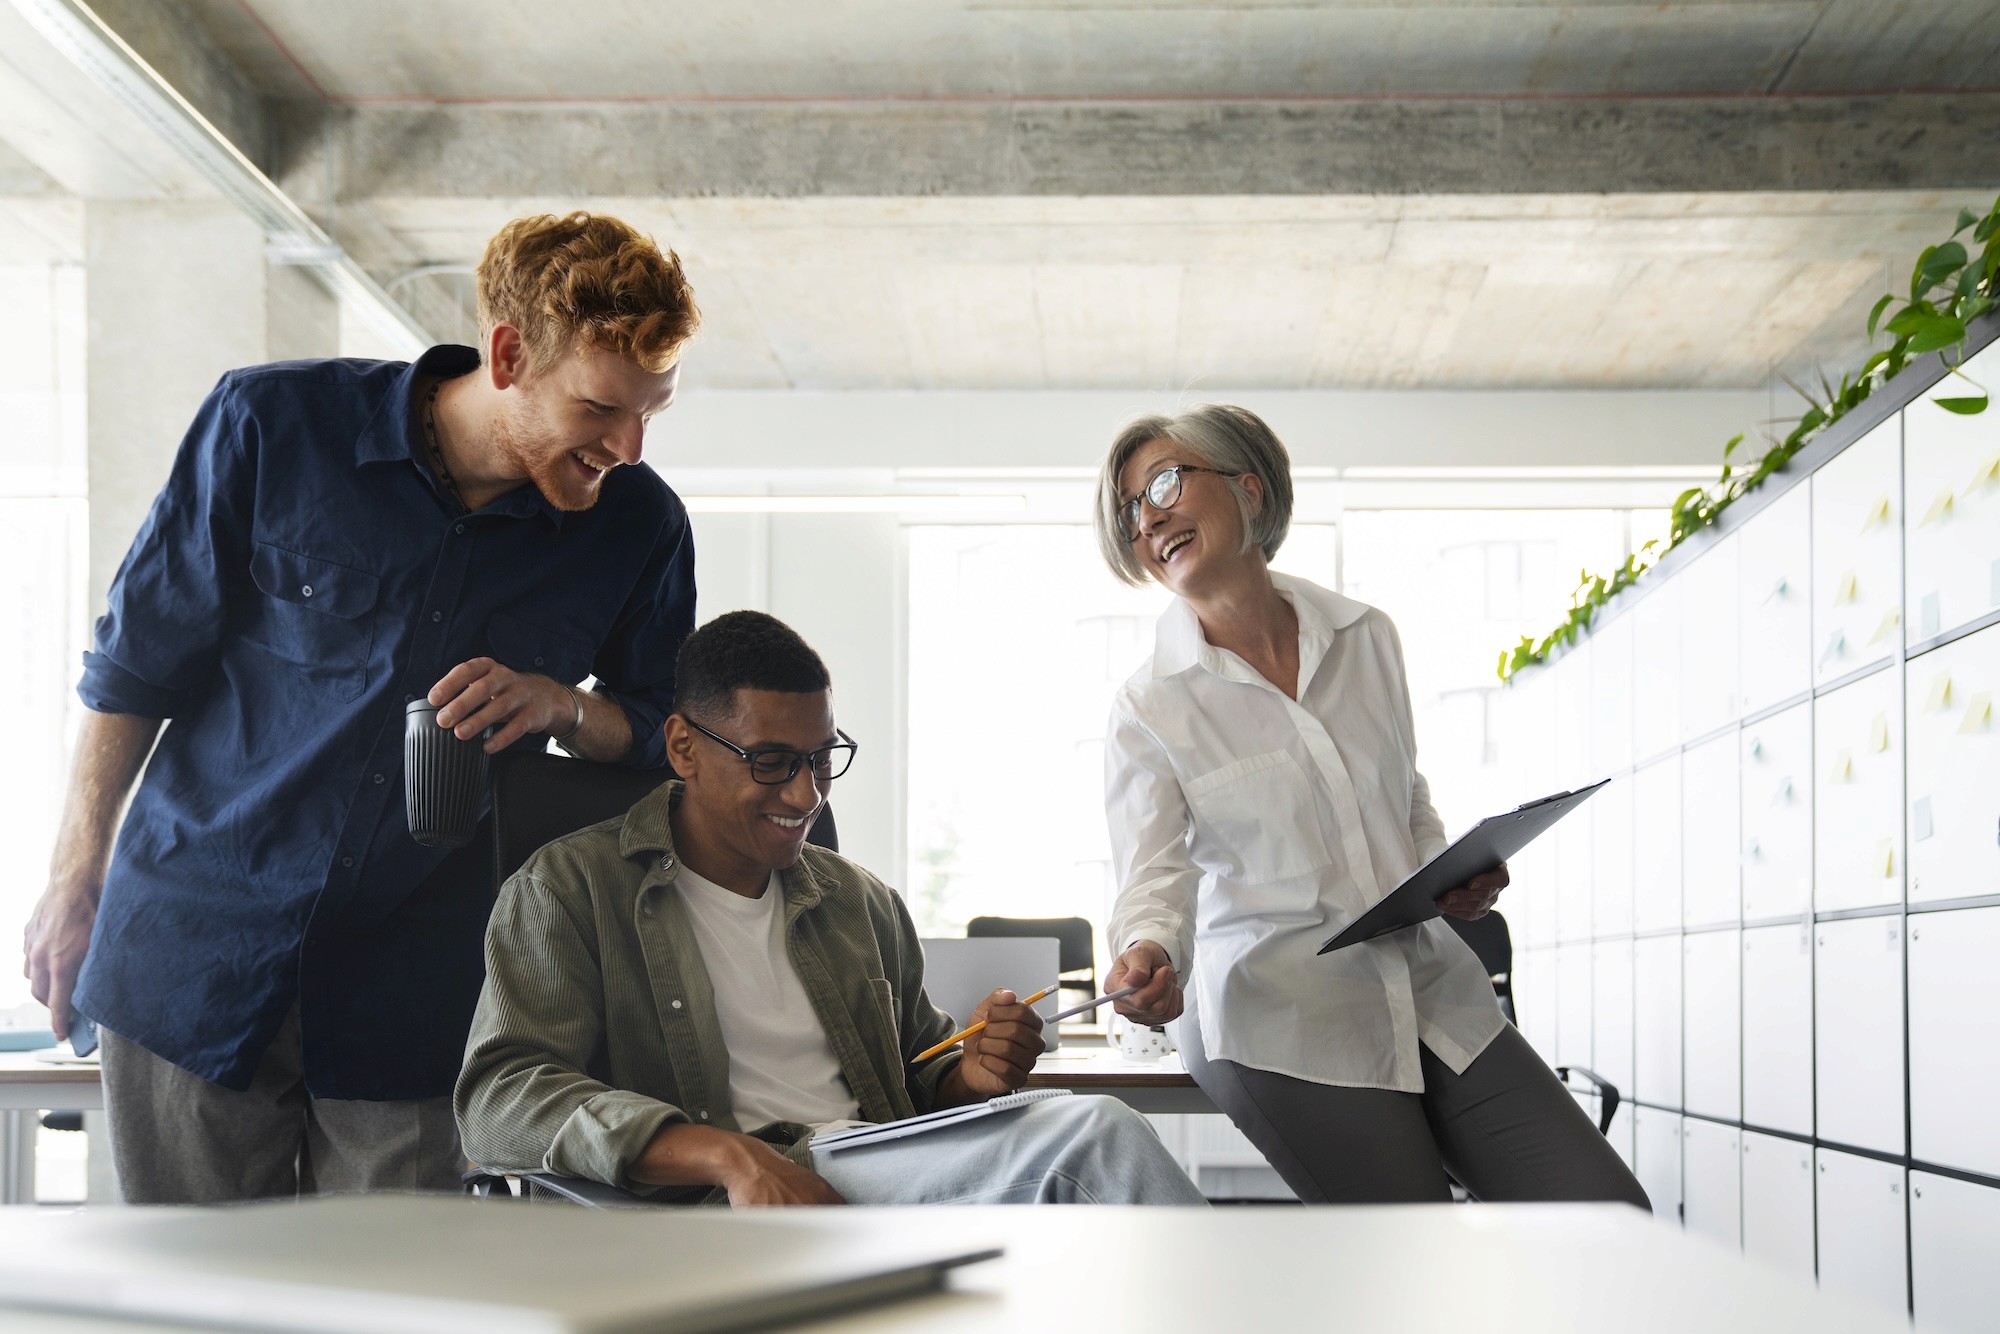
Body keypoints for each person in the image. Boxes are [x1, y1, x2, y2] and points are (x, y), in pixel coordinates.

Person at [21, 212, 702, 1203]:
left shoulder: (638, 527)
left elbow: (664, 732)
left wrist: (560, 704)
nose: (628, 446)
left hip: (425, 995)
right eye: (601, 407)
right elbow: (136, 666)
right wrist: (73, 876)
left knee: (401, 1307)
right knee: (189, 1309)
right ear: (509, 353)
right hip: (197, 949)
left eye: (652, 411)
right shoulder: (269, 424)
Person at [457, 611, 1205, 1207]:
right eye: (772, 762)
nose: (805, 795)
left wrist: (973, 1074)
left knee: (1082, 1138)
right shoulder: (569, 889)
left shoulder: (857, 901)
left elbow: (922, 1072)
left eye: (821, 760)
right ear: (683, 747)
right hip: (719, 1205)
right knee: (1093, 1138)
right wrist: (728, 1156)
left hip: (869, 1169)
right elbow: (500, 1098)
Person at [1094, 405, 1649, 1208]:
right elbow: (1154, 877)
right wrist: (1150, 951)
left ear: (1249, 488)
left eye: (1167, 484)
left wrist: (1448, 875)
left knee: (1613, 1219)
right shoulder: (1149, 707)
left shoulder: (1366, 638)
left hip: (1428, 983)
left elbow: (1405, 793)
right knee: (1411, 1255)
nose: (1149, 518)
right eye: (1131, 510)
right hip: (1280, 1013)